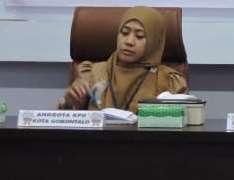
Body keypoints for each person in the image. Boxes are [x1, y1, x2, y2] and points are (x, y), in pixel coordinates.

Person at [59, 6, 188, 113]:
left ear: (153, 42)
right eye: (124, 33)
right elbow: (62, 121)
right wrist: (67, 103)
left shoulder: (169, 81)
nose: (129, 41)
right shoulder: (94, 73)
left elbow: (184, 127)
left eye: (139, 36)